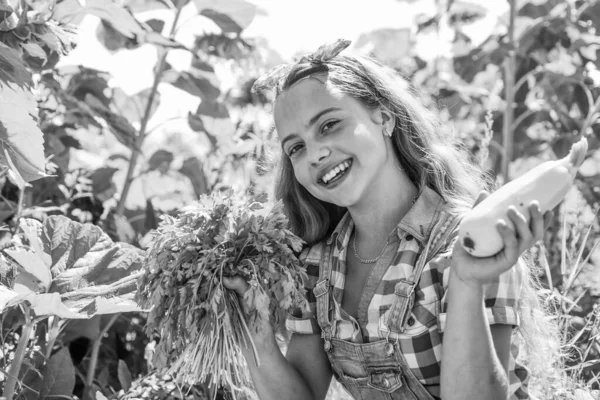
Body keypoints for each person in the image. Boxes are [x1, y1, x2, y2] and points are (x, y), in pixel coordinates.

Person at [223, 39, 557, 400]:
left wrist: (467, 284)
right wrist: (253, 332)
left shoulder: (471, 240)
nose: (316, 153)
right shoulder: (318, 266)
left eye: (329, 125)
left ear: (383, 117)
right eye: (296, 147)